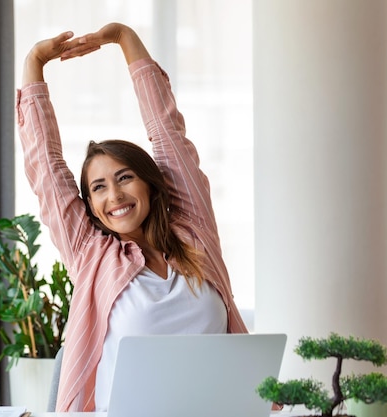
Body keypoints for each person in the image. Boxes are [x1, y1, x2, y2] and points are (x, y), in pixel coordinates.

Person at [16, 23, 248, 412]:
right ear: (89, 203)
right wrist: (34, 63)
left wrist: (124, 38)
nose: (115, 196)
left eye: (125, 178)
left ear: (151, 184)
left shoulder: (195, 232)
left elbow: (168, 133)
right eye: (99, 187)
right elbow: (47, 166)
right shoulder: (92, 254)